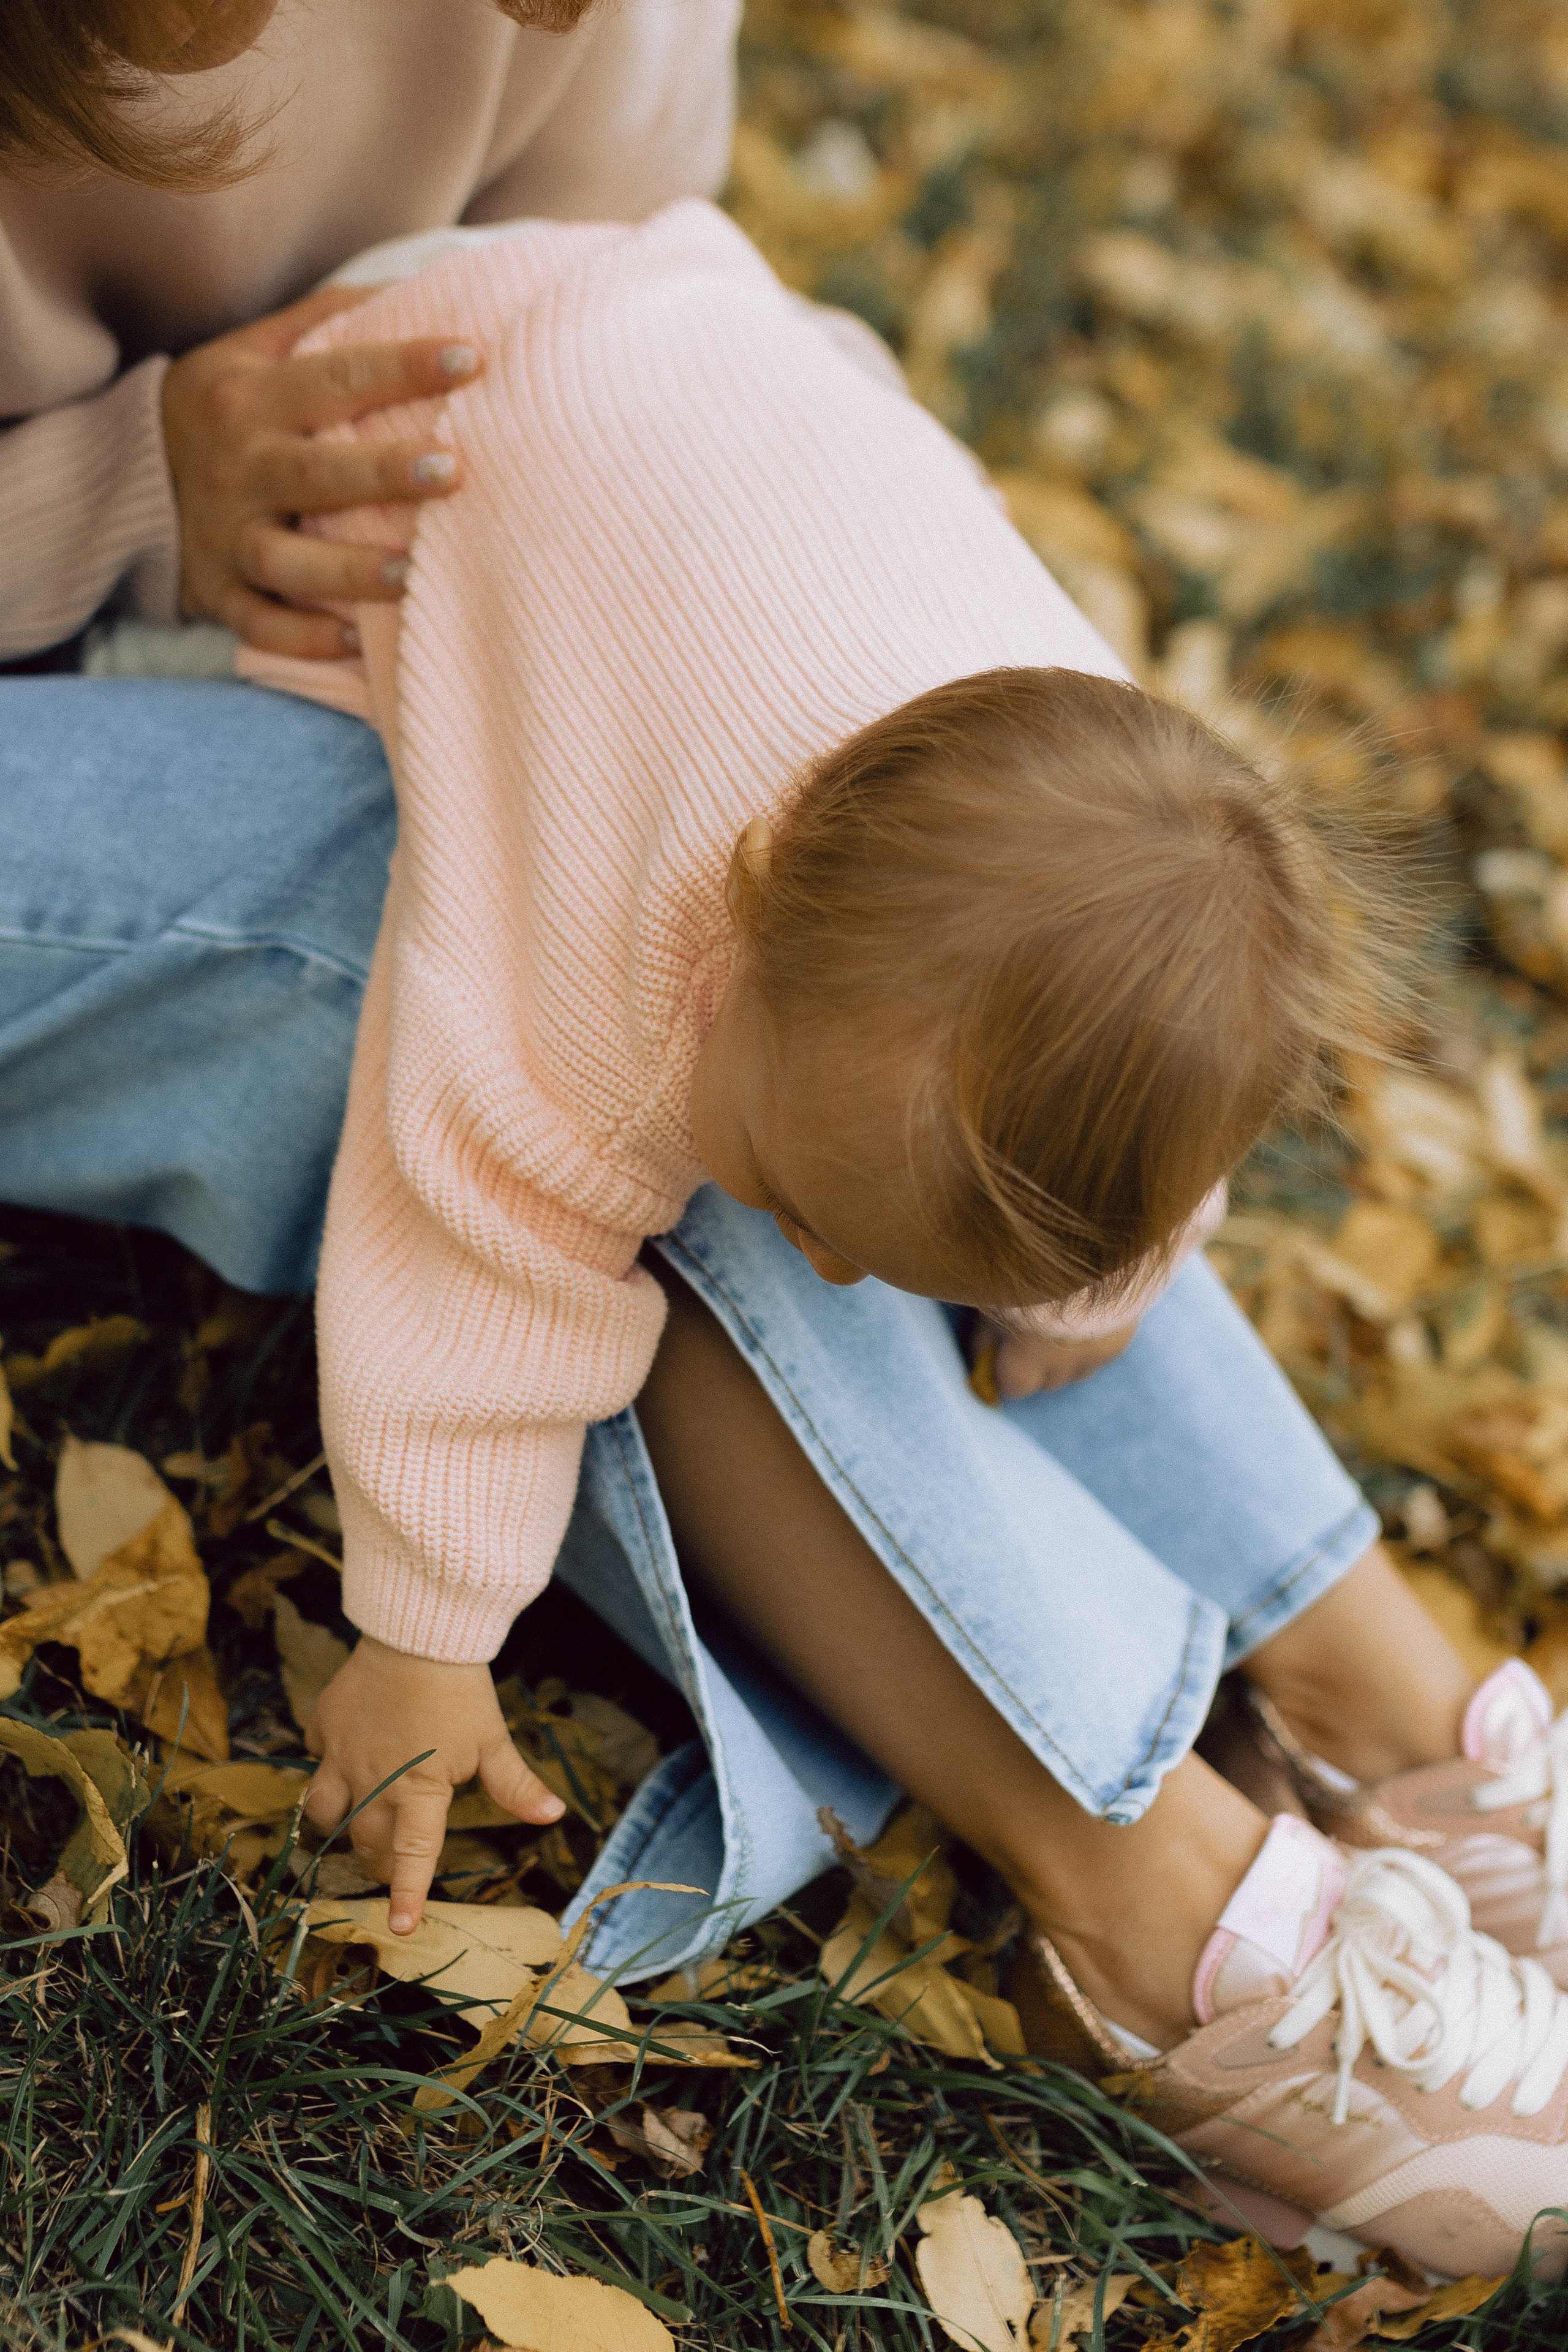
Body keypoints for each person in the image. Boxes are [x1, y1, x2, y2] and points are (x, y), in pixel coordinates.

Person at [4, 18, 1567, 2285]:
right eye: (829, 1237)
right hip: (266, 598)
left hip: (563, 475)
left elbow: (1136, 1017)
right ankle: (1163, 1913)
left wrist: (1094, 1264)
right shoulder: (601, 970)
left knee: (1036, 982)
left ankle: (1387, 1710)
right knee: (535, 1017)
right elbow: (482, 1244)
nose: (834, 1275)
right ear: (716, 926)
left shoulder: (962, 719)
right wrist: (423, 1637)